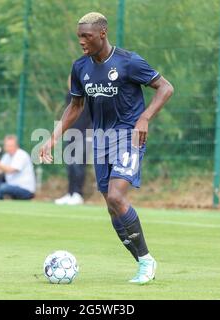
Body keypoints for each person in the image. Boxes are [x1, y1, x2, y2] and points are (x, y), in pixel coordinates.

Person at [39, 12, 174, 284]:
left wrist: (145, 117)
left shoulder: (128, 61)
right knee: (111, 207)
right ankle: (141, 263)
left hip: (128, 137)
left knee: (115, 197)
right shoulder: (80, 67)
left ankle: (147, 260)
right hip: (101, 141)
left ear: (102, 33)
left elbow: (165, 87)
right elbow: (75, 106)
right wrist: (53, 137)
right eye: (79, 36)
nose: (81, 41)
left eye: (86, 36)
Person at [55, 75, 92, 205]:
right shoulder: (69, 96)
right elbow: (67, 116)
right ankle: (70, 193)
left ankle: (78, 194)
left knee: (78, 164)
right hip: (70, 133)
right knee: (70, 164)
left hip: (86, 134)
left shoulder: (89, 95)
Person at [0, 135, 36, 200]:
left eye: (11, 146)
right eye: (7, 146)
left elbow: (10, 170)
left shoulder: (21, 155)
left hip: (25, 190)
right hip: (10, 186)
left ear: (16, 146)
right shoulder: (6, 156)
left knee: (3, 187)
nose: (9, 148)